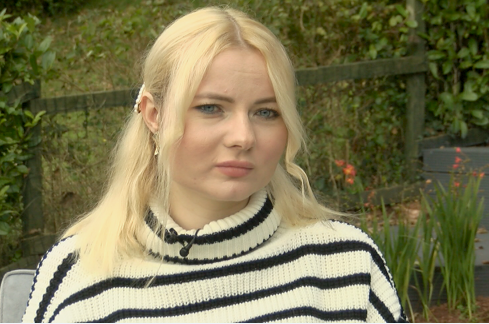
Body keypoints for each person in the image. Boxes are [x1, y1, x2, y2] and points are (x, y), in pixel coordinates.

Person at [22, 6, 406, 323]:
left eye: (266, 112)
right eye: (211, 108)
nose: (243, 136)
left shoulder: (347, 264)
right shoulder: (76, 275)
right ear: (154, 115)